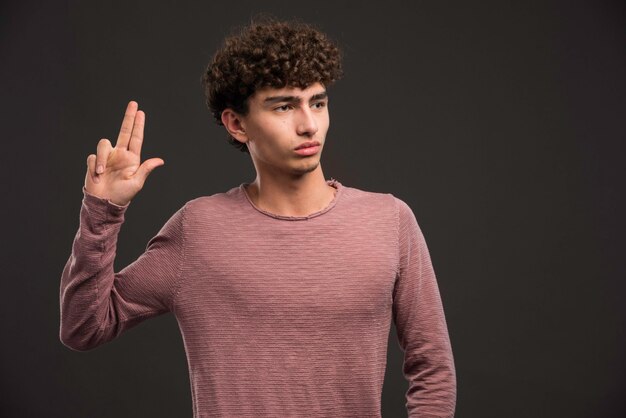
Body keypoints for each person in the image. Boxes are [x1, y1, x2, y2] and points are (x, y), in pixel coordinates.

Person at [60, 18, 456, 417]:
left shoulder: (389, 220)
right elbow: (85, 327)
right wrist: (103, 212)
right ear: (237, 124)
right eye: (284, 106)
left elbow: (433, 367)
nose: (309, 125)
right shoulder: (198, 229)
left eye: (317, 102)